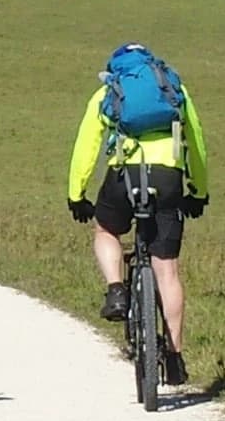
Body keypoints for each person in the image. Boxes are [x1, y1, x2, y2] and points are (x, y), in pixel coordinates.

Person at [67, 42, 210, 386]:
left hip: (124, 176)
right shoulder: (172, 86)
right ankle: (174, 357)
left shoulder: (108, 90)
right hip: (168, 177)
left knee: (106, 230)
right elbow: (195, 138)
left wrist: (77, 194)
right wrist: (199, 190)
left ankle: (117, 289)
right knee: (168, 270)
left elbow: (87, 143)